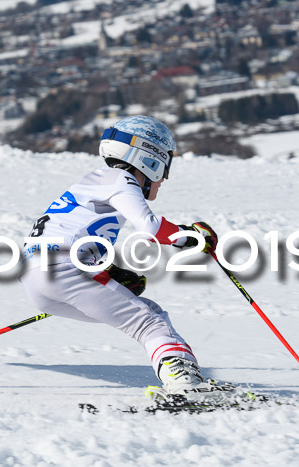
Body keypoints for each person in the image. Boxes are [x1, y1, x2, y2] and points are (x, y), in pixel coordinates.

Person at [20, 116, 232, 398]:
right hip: (65, 269)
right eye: (166, 164)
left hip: (35, 278)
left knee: (139, 312)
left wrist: (107, 272)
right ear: (150, 158)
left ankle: (182, 377)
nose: (165, 176)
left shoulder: (95, 182)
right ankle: (185, 383)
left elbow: (71, 231)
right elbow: (151, 227)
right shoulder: (120, 179)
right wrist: (193, 237)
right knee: (150, 321)